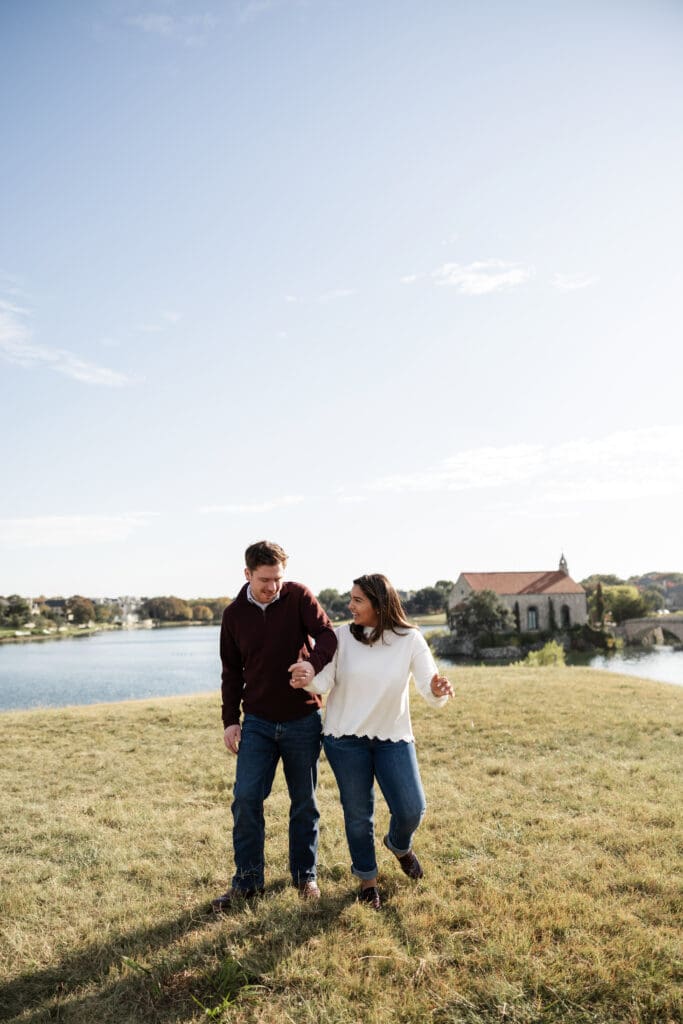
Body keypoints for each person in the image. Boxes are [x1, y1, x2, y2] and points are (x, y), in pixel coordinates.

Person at [290, 573, 453, 910]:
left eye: (357, 600)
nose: (349, 605)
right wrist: (307, 677)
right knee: (358, 814)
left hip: (393, 737)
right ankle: (367, 882)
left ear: (379, 604)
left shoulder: (410, 639)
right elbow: (323, 681)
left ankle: (399, 844)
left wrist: (438, 690)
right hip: (344, 739)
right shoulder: (341, 637)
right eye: (350, 598)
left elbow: (429, 685)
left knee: (412, 808)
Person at [211, 540, 337, 910]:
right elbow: (231, 672)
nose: (273, 586)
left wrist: (311, 664)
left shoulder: (298, 596)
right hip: (258, 723)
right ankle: (248, 882)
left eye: (278, 578)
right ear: (247, 574)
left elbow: (328, 635)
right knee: (246, 798)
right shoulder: (234, 615)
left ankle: (305, 876)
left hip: (303, 718)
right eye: (265, 579)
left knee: (304, 802)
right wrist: (230, 721)